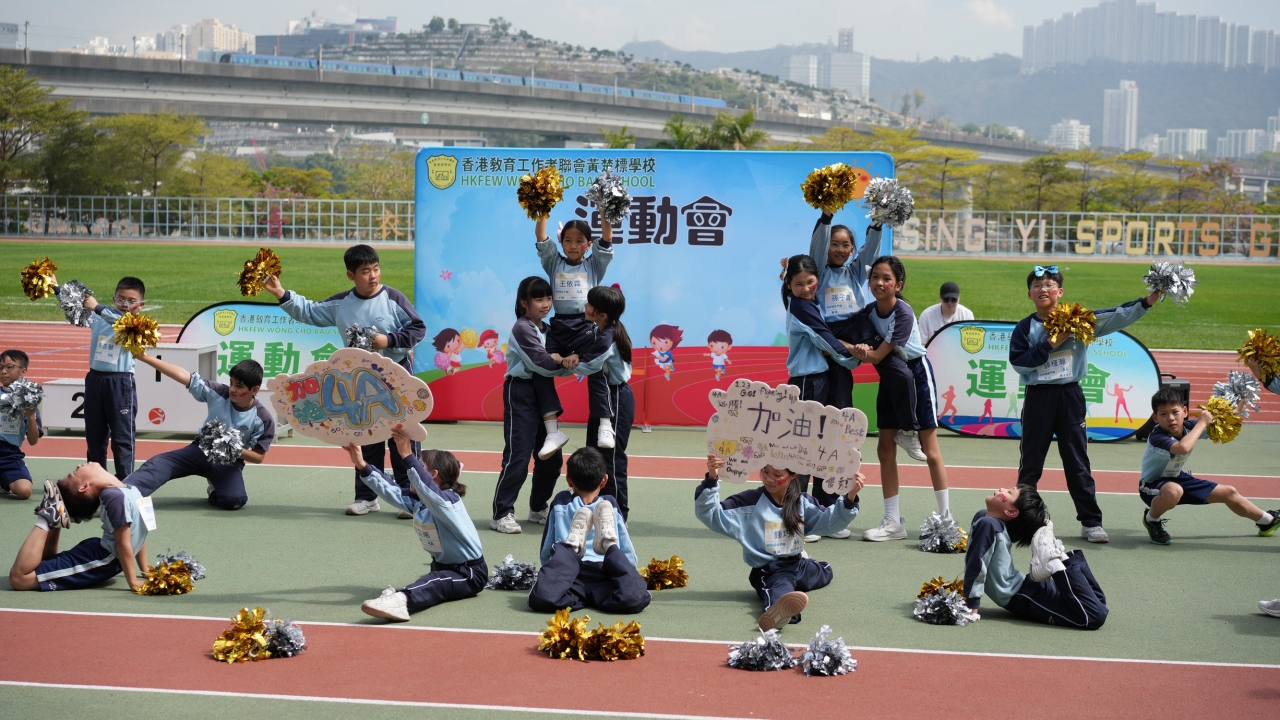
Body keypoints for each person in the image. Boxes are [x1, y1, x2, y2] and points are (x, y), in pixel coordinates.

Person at [265, 244, 426, 518]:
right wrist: (281, 293)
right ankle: (366, 497)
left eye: (376, 269)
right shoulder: (342, 304)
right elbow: (310, 311)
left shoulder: (392, 298)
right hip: (358, 384)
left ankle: (410, 497)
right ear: (351, 275)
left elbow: (418, 328)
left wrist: (389, 340)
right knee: (365, 435)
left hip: (396, 379)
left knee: (402, 437)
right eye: (365, 271)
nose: (373, 276)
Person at [1009, 265, 1162, 543]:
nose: (1043, 289)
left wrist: (1148, 301)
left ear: (1060, 292)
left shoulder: (1077, 321)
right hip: (1038, 398)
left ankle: (1091, 522)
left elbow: (1114, 316)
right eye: (1037, 285)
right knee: (1030, 464)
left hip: (1070, 397)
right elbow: (1019, 363)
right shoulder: (1025, 327)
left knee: (1077, 463)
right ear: (1029, 294)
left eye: (1049, 285)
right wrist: (1047, 345)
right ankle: (1023, 521)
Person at [696, 453, 865, 631]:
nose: (769, 479)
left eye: (777, 475)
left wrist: (850, 496)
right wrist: (712, 479)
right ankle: (777, 614)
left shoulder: (802, 502)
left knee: (826, 571)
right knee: (780, 589)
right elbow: (711, 514)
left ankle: (795, 582)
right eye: (765, 471)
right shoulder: (749, 502)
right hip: (770, 570)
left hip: (798, 563)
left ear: (793, 475)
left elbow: (830, 522)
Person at [846, 256, 951, 542]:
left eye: (887, 279)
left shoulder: (903, 312)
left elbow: (877, 355)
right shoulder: (869, 312)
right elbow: (864, 346)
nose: (879, 283)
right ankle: (893, 521)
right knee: (884, 448)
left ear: (898, 285)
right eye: (875, 277)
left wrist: (851, 348)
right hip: (891, 376)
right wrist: (853, 345)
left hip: (916, 375)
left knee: (930, 450)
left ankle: (946, 521)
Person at [344, 428, 486, 621]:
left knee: (436, 582)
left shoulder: (449, 502)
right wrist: (362, 465)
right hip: (442, 567)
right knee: (435, 579)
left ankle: (401, 601)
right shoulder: (420, 502)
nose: (411, 471)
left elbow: (427, 488)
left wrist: (407, 455)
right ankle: (402, 597)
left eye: (420, 466)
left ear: (433, 474)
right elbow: (392, 490)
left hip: (469, 573)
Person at [779, 254, 862, 539]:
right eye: (798, 284)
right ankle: (796, 520)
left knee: (825, 448)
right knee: (802, 452)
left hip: (821, 381)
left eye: (810, 282)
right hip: (806, 383)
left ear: (819, 280)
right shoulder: (802, 306)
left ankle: (823, 514)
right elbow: (825, 337)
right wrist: (856, 358)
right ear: (788, 285)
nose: (806, 288)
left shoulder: (810, 302)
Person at [127, 354, 273, 511]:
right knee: (159, 464)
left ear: (255, 390)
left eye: (239, 386)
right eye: (231, 382)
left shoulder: (262, 418)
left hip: (229, 462)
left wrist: (233, 448)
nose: (232, 389)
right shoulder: (219, 392)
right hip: (200, 450)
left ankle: (215, 490)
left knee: (234, 500)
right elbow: (186, 377)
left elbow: (259, 457)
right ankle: (122, 493)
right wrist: (145, 357)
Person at [1139, 387, 1279, 545]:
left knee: (1229, 492)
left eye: (1175, 412)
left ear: (1184, 412)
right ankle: (1151, 520)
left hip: (1177, 478)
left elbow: (1217, 423)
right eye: (1164, 414)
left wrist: (1236, 410)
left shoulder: (1189, 427)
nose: (1171, 418)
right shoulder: (1157, 437)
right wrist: (1201, 423)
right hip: (1151, 486)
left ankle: (1267, 521)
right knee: (1173, 491)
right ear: (1155, 418)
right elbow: (1183, 447)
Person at [490, 277, 576, 535]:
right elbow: (541, 363)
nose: (546, 304)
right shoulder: (522, 328)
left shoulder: (548, 329)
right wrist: (561, 361)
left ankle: (538, 508)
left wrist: (568, 359)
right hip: (521, 392)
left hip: (543, 392)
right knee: (518, 455)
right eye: (539, 299)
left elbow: (559, 361)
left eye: (548, 298)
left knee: (551, 458)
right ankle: (501, 513)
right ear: (524, 303)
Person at [963, 485, 1108, 630]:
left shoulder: (987, 524)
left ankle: (1053, 563)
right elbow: (977, 561)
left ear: (1011, 511)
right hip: (1026, 589)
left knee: (1092, 617)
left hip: (1023, 596)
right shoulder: (985, 518)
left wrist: (972, 605)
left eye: (1009, 492)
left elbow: (977, 564)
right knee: (1099, 605)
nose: (1002, 489)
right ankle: (1060, 559)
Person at [528, 447, 650, 615]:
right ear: (604, 480)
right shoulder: (610, 504)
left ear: (569, 480)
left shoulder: (561, 501)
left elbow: (547, 551)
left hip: (570, 575)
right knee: (635, 598)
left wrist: (554, 573)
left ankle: (577, 547)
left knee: (543, 598)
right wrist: (626, 573)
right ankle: (600, 545)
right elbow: (628, 551)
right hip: (600, 573)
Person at [535, 217, 614, 451]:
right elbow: (541, 237)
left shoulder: (594, 265)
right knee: (540, 369)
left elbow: (607, 238)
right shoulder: (553, 262)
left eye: (579, 241)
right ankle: (552, 432)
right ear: (561, 243)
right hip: (559, 327)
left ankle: (605, 424)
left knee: (599, 368)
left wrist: (604, 211)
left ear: (589, 245)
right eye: (568, 240)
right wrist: (543, 212)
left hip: (585, 326)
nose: (573, 245)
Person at [9, 467, 149, 592]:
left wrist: (145, 570)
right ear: (84, 487)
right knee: (19, 579)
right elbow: (123, 542)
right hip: (101, 559)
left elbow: (141, 529)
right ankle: (47, 517)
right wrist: (133, 582)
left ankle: (55, 515)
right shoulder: (119, 494)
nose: (79, 466)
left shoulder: (128, 489)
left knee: (37, 567)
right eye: (74, 473)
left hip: (101, 557)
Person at [808, 212, 883, 409]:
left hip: (855, 330)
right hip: (830, 333)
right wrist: (826, 218)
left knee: (892, 363)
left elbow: (869, 252)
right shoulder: (818, 272)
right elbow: (817, 247)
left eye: (845, 245)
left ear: (851, 250)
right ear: (826, 246)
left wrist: (877, 224)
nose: (840, 249)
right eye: (834, 244)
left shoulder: (854, 271)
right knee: (830, 389)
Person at [573, 286, 636, 520]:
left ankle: (618, 516)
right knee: (593, 455)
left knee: (611, 459)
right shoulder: (602, 330)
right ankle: (594, 509)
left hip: (615, 398)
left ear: (602, 314)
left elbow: (589, 365)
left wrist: (559, 362)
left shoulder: (608, 336)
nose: (585, 307)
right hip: (604, 399)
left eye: (590, 305)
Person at [75, 276, 146, 481]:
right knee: (94, 436)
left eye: (131, 301)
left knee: (122, 436)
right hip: (95, 380)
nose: (125, 304)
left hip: (120, 382)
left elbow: (121, 322)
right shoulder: (99, 318)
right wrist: (54, 286)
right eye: (121, 299)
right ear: (114, 299)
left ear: (141, 305)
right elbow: (74, 306)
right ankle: (95, 480)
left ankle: (125, 482)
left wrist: (97, 307)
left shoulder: (136, 323)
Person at [0, 350, 43, 500]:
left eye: (9, 367)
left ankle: (8, 478)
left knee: (24, 491)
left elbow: (33, 441)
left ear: (23, 371)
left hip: (9, 455)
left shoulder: (29, 401)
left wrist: (30, 416)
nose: (3, 371)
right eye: (0, 368)